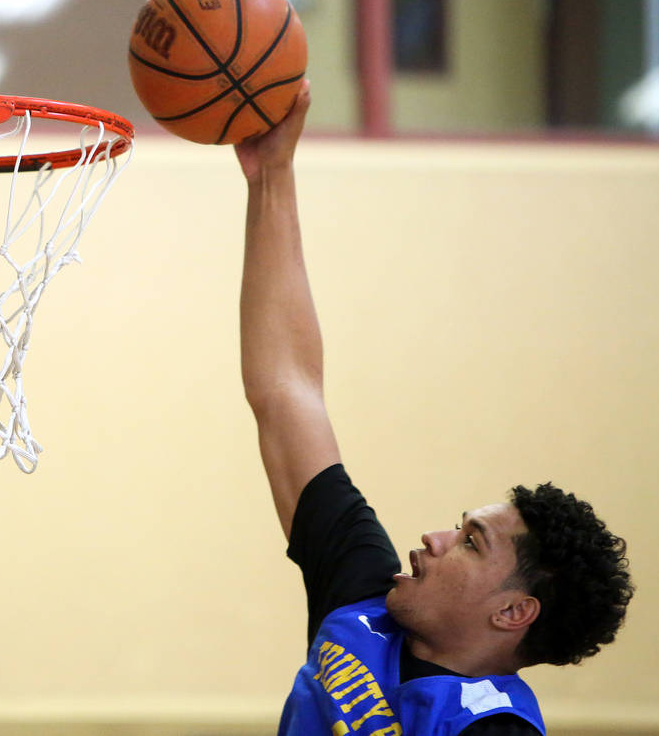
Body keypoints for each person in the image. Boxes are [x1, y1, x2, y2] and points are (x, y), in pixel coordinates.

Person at [233, 81, 634, 736]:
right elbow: (286, 390)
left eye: (471, 542)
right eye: (461, 526)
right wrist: (272, 175)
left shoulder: (491, 728)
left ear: (512, 611)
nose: (435, 538)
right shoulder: (365, 593)